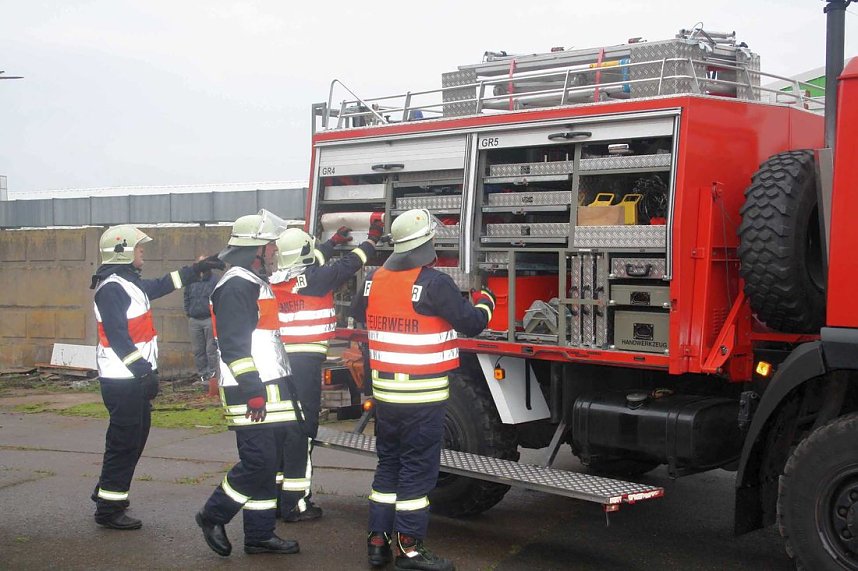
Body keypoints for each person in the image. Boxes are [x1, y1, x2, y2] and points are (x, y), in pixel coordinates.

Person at [351, 209, 495, 571]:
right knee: (417, 472)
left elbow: (359, 315)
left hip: (386, 397)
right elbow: (472, 324)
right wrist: (486, 301)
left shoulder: (373, 279)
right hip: (422, 398)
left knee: (388, 468)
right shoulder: (434, 284)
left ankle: (377, 543)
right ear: (426, 243)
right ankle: (411, 551)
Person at [90, 224, 223, 530]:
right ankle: (109, 509)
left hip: (131, 379)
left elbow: (163, 284)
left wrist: (195, 270)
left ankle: (107, 490)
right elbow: (118, 337)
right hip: (122, 379)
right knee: (124, 442)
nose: (143, 253)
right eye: (139, 249)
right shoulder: (112, 289)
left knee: (134, 437)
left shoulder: (128, 283)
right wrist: (143, 372)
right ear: (123, 252)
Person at [195, 210, 301, 558]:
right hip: (249, 389)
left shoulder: (250, 281)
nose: (272, 251)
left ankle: (259, 535)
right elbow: (234, 346)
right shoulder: (237, 285)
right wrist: (254, 392)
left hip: (266, 386)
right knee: (258, 462)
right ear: (253, 249)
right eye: (268, 246)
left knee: (268, 464)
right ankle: (213, 514)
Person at [270, 218, 383, 522]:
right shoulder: (316, 279)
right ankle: (296, 503)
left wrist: (331, 242)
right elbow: (349, 265)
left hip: (281, 364)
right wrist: (371, 241)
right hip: (304, 364)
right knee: (303, 432)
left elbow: (311, 258)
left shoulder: (278, 279)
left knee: (285, 429)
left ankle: (280, 498)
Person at [184, 255, 220, 393]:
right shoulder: (191, 280)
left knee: (211, 350)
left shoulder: (214, 280)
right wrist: (188, 312)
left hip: (209, 319)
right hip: (194, 320)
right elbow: (186, 297)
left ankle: (213, 377)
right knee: (198, 350)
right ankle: (203, 376)